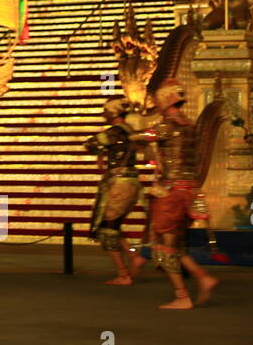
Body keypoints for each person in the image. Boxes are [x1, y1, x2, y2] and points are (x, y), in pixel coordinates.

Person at [135, 79, 218, 310]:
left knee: (165, 246)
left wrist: (130, 132)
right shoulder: (189, 125)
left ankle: (182, 297)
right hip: (189, 191)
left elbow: (140, 136)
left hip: (170, 193)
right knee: (177, 245)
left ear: (165, 100)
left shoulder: (167, 126)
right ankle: (203, 276)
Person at [83, 96, 144, 285]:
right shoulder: (130, 130)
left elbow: (90, 143)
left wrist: (100, 152)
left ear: (113, 112)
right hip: (131, 183)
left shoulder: (115, 132)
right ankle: (133, 256)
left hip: (118, 184)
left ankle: (123, 273)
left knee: (107, 229)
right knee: (114, 224)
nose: (104, 115)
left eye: (106, 111)